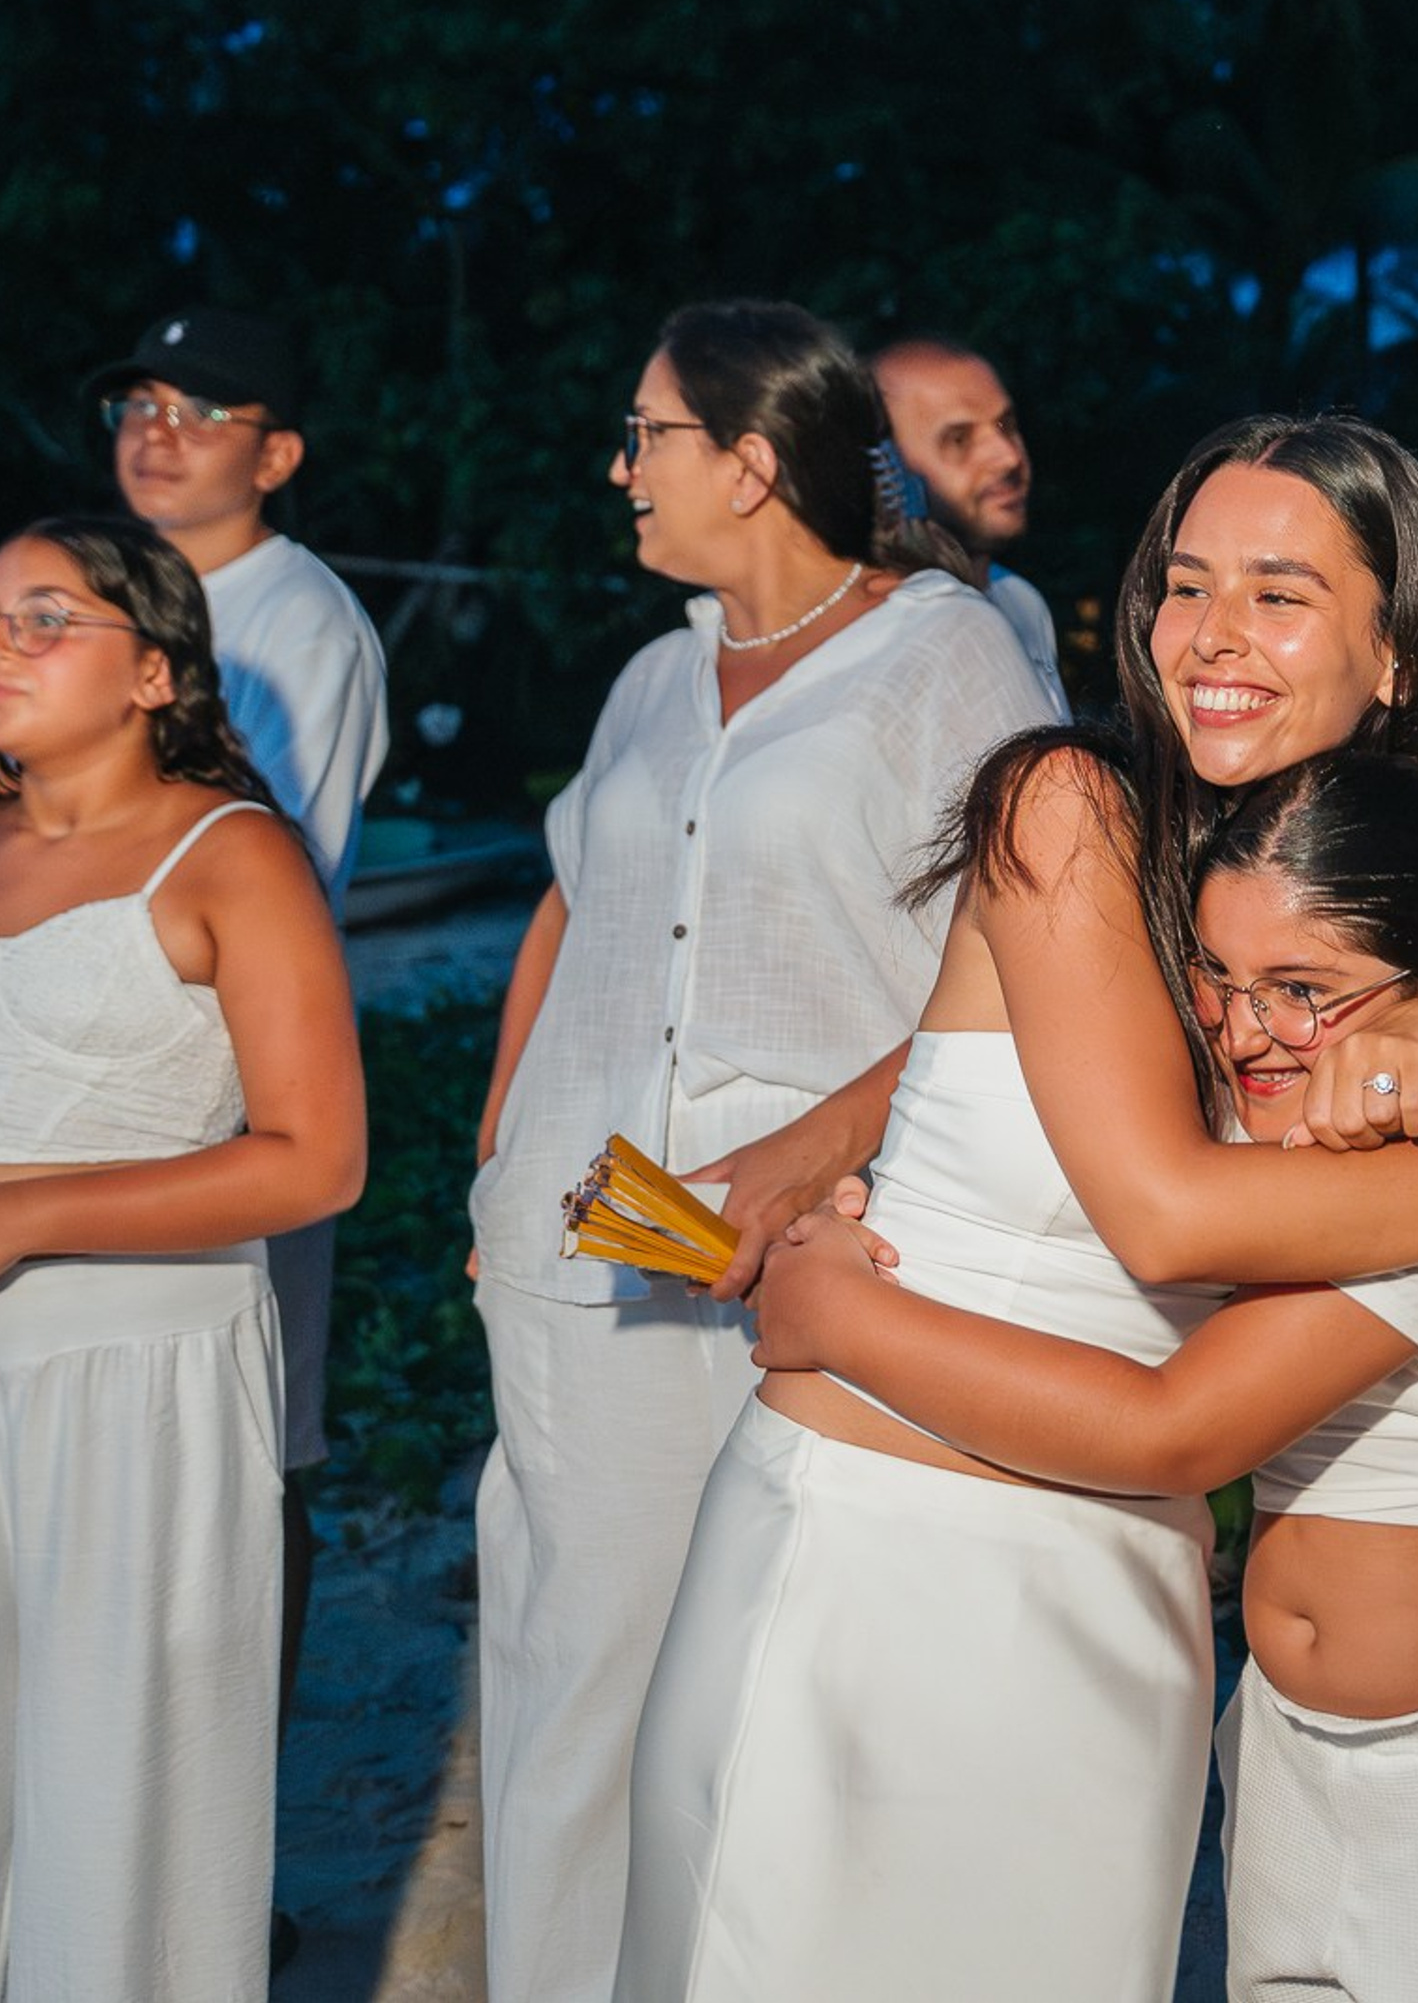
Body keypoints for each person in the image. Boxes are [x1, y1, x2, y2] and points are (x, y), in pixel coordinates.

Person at [614, 416, 1418, 2003]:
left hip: (1119, 1585)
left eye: (1281, 594)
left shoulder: (1334, 906)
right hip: (891, 1565)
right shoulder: (1070, 802)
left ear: (1396, 655)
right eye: (1185, 585)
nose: (1210, 636)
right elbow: (1167, 1217)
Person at [752, 748, 1418, 2002]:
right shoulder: (1284, 1115)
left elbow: (1180, 1429)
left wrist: (836, 1315)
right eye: (1215, 980)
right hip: (1296, 1761)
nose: (1241, 1026)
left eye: (1297, 988)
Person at [466, 301, 1062, 2003]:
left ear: (750, 460)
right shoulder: (654, 675)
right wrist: (500, 1160)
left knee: (788, 1696)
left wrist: (807, 1149)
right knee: (575, 1680)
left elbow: (1028, 956)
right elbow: (581, 906)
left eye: (643, 434)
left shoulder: (950, 653)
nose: (617, 468)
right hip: (585, 1258)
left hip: (816, 1262)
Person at [0, 513, 364, 2002]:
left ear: (155, 669)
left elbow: (315, 1158)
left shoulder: (233, 855)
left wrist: (22, 1216)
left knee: (108, 1812)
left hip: (134, 1387)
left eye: (41, 619)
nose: (2, 650)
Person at [87, 301, 391, 1920]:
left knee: (243, 1469)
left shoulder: (295, 624)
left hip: (217, 1096)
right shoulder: (79, 595)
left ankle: (224, 1850)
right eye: (139, 400)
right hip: (74, 1088)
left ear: (276, 453)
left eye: (204, 410)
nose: (159, 429)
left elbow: (281, 878)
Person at [874, 333, 1061, 700]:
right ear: (888, 467)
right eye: (959, 439)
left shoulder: (1023, 602)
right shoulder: (880, 633)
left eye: (1006, 425)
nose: (1008, 457)